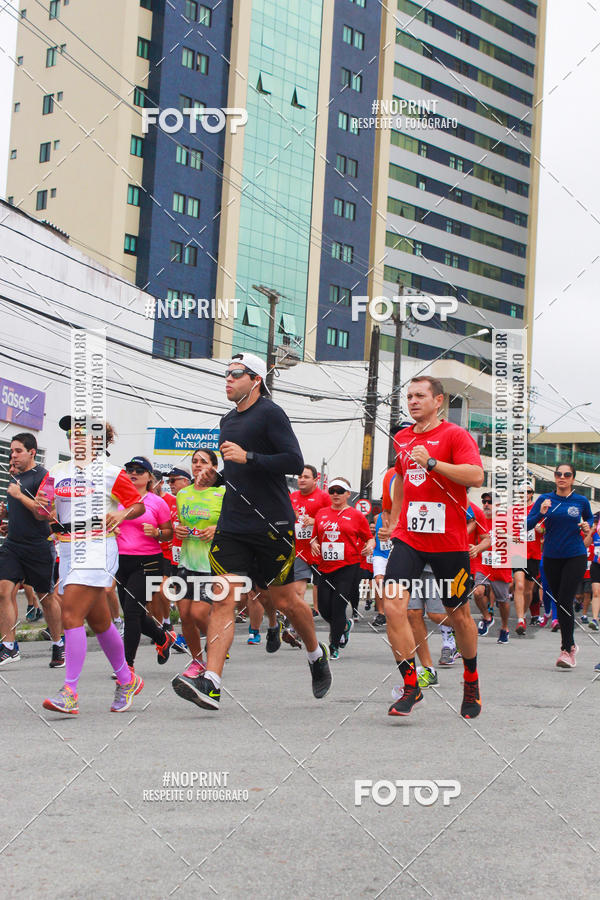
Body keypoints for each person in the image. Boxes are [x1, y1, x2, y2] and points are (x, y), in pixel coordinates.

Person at [172, 352, 331, 710]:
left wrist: (250, 457)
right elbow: (242, 475)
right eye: (225, 374)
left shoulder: (271, 413)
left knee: (285, 601)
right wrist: (221, 477)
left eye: (235, 374)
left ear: (255, 379)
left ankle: (315, 653)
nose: (227, 380)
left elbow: (291, 461)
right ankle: (211, 681)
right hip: (232, 525)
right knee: (223, 599)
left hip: (271, 523)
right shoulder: (227, 420)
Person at [380, 376, 484, 719]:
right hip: (410, 539)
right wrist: (394, 519)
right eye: (409, 396)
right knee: (393, 605)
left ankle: (471, 679)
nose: (412, 401)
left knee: (459, 616)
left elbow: (475, 477)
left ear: (438, 401)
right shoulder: (404, 438)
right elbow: (400, 479)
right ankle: (412, 685)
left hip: (449, 544)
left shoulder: (455, 435)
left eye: (420, 396)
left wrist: (433, 463)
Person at [42, 417, 145, 714]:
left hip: (98, 547)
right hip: (68, 548)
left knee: (71, 614)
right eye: (71, 435)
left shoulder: (112, 473)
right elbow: (43, 506)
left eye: (81, 435)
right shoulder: (57, 472)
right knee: (100, 621)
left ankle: (70, 692)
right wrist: (38, 508)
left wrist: (122, 515)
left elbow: (137, 505)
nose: (74, 439)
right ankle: (127, 679)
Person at [0, 433, 64, 668]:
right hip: (13, 545)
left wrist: (18, 495)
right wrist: (6, 514)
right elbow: (20, 509)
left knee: (46, 598)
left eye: (18, 451)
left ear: (32, 452)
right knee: (3, 591)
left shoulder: (45, 476)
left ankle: (58, 644)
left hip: (39, 546)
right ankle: (8, 647)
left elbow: (43, 513)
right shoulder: (14, 477)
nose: (13, 455)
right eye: (12, 452)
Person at [527, 463, 593, 668]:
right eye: (558, 474)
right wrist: (541, 513)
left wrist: (587, 525)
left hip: (575, 555)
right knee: (557, 600)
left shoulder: (581, 500)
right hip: (551, 557)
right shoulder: (545, 499)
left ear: (573, 478)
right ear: (554, 477)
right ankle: (571, 645)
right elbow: (527, 525)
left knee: (565, 600)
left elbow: (589, 517)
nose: (562, 477)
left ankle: (567, 650)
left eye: (567, 474)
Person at [170, 449, 225, 689]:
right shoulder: (183, 494)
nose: (197, 465)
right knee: (184, 615)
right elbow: (181, 525)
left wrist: (217, 529)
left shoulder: (221, 492)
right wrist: (178, 531)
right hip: (187, 561)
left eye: (203, 462)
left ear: (213, 467)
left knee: (199, 613)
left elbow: (234, 522)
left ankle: (218, 644)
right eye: (194, 462)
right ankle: (197, 661)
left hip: (209, 563)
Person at [115, 456, 176, 674]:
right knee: (136, 614)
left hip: (149, 561)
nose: (133, 473)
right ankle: (162, 637)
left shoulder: (156, 502)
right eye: (129, 469)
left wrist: (158, 533)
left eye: (139, 471)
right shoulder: (116, 499)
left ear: (149, 477)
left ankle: (127, 666)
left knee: (131, 612)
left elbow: (169, 533)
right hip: (120, 561)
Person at [310, 478, 374, 658]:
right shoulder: (321, 513)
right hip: (325, 566)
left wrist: (370, 545)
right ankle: (344, 626)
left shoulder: (356, 515)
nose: (335, 494)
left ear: (348, 494)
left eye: (340, 490)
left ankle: (334, 645)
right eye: (332, 490)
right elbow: (315, 536)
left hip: (348, 566)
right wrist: (313, 542)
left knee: (338, 605)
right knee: (323, 608)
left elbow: (369, 537)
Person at [289, 464, 331, 618]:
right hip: (300, 549)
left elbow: (333, 518)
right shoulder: (292, 497)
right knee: (298, 590)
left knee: (324, 596)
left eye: (306, 477)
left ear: (315, 479)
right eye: (300, 477)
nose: (302, 480)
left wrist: (315, 521)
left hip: (320, 550)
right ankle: (297, 622)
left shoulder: (324, 497)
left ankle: (337, 621)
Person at [472, 493, 512, 644]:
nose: (486, 504)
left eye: (490, 502)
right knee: (478, 592)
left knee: (503, 601)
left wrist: (506, 535)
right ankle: (487, 617)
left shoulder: (506, 520)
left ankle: (505, 627)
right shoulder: (478, 520)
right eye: (484, 501)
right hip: (483, 562)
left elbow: (520, 540)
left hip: (501, 564)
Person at [513, 483, 544, 635]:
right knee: (519, 585)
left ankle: (523, 615)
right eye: (521, 492)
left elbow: (546, 530)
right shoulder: (512, 511)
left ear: (532, 494)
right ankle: (520, 620)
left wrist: (541, 529)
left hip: (534, 553)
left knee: (528, 590)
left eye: (527, 492)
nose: (524, 494)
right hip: (518, 551)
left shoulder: (538, 511)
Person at [371, 511, 391, 627]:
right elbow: (374, 536)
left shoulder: (401, 514)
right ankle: (381, 613)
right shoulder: (376, 517)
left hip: (395, 552)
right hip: (380, 553)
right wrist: (371, 544)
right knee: (378, 581)